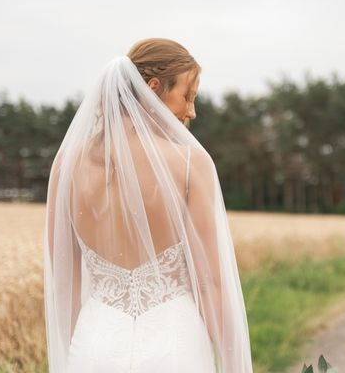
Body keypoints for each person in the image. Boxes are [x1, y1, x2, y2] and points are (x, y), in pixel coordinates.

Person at [43, 38, 253, 372]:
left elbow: (63, 286)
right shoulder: (190, 164)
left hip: (93, 347)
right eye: (187, 95)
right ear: (154, 89)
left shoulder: (66, 165)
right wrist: (234, 361)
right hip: (173, 347)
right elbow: (209, 283)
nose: (191, 111)